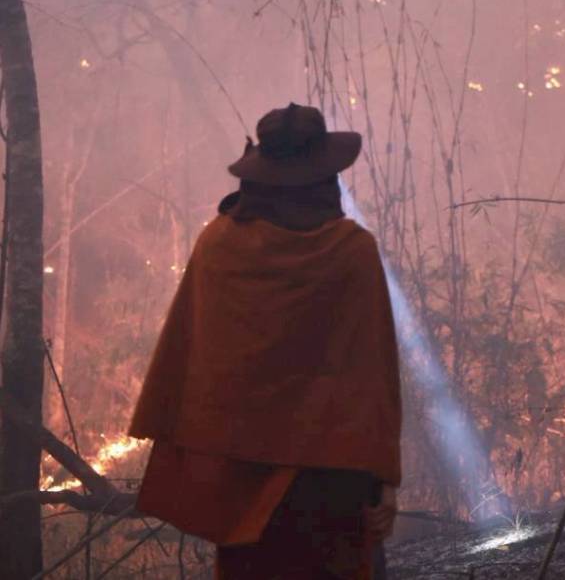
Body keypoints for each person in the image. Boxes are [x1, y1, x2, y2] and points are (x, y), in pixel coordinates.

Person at [129, 103, 403, 580]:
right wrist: (385, 477)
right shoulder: (353, 251)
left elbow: (194, 364)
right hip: (333, 477)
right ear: (324, 177)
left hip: (242, 479)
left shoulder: (218, 244)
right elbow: (373, 374)